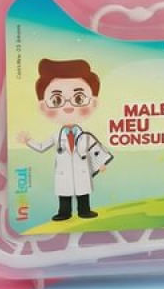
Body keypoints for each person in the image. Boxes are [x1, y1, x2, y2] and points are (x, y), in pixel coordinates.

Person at [17, 58, 111, 221]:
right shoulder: (56, 136)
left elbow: (95, 150)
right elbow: (42, 147)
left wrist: (100, 164)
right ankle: (64, 212)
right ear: (43, 106)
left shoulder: (86, 136)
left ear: (94, 102)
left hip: (82, 171)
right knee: (64, 192)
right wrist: (28, 141)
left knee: (83, 192)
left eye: (79, 99)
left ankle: (84, 210)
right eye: (57, 101)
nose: (68, 107)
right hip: (64, 172)